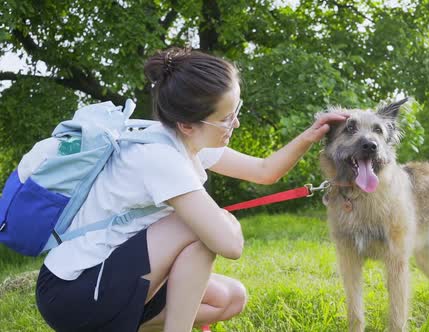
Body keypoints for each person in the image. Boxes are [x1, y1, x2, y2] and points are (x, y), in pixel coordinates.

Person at [34, 47, 348, 332]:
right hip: (73, 293)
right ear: (187, 124)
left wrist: (311, 135)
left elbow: (263, 171)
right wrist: (226, 221)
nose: (235, 124)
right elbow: (229, 245)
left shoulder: (187, 139)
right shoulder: (159, 156)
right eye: (226, 118)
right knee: (201, 227)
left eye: (236, 109)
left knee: (230, 298)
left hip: (114, 279)